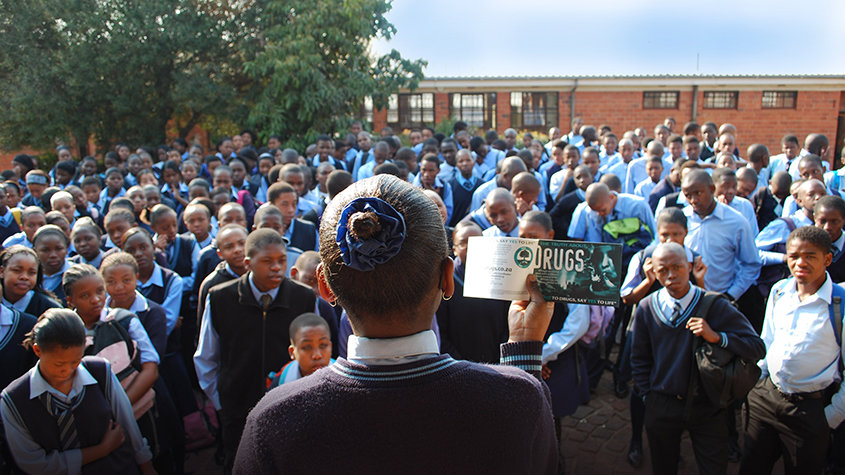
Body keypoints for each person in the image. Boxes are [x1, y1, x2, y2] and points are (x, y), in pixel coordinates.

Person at [234, 174, 557, 474]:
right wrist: (524, 349)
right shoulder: (514, 399)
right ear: (447, 278)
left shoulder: (275, 421)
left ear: (324, 287)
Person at [632, 242, 765, 475]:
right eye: (663, 270)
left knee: (713, 467)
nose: (671, 275)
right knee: (663, 466)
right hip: (661, 404)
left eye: (677, 267)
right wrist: (647, 395)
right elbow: (639, 358)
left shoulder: (714, 305)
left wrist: (717, 337)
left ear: (690, 266)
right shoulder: (646, 307)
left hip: (707, 404)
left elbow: (756, 347)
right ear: (654, 272)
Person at [194, 228, 316, 471]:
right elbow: (206, 357)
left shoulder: (302, 297)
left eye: (281, 261)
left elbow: (314, 351)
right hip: (237, 407)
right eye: (267, 262)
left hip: (288, 403)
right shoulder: (220, 298)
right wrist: (222, 402)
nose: (276, 268)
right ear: (249, 263)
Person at [741, 226, 845, 474]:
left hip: (809, 410)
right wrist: (757, 386)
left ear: (827, 259)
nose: (800, 262)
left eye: (810, 256)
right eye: (794, 256)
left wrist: (829, 417)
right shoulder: (779, 291)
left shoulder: (839, 305)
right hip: (766, 399)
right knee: (752, 466)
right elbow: (767, 340)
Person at [0, 309, 155, 474]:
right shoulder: (13, 400)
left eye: (75, 361)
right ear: (38, 351)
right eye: (59, 364)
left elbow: (128, 425)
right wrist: (102, 450)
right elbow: (34, 464)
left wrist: (148, 468)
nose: (67, 370)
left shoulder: (100, 372)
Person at [436, 222, 509, 364]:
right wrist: (463, 366)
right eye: (463, 243)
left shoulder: (500, 277)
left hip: (497, 367)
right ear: (455, 249)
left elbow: (507, 327)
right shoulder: (446, 281)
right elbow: (441, 333)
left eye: (476, 241)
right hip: (457, 368)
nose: (471, 247)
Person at [266, 313, 334, 388]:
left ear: (330, 347)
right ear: (292, 352)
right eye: (307, 347)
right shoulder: (280, 382)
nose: (317, 355)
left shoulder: (344, 380)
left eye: (323, 345)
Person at [0, 245, 61, 318]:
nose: (24, 277)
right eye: (17, 270)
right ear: (2, 272)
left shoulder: (50, 310)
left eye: (31, 272)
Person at [32, 224, 71, 305]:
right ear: (35, 252)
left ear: (66, 249)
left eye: (59, 249)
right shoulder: (30, 277)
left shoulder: (77, 275)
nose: (53, 255)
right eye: (45, 250)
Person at [814, 195, 845, 283]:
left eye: (834, 222)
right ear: (815, 218)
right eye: (822, 221)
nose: (828, 227)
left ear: (843, 220)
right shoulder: (807, 244)